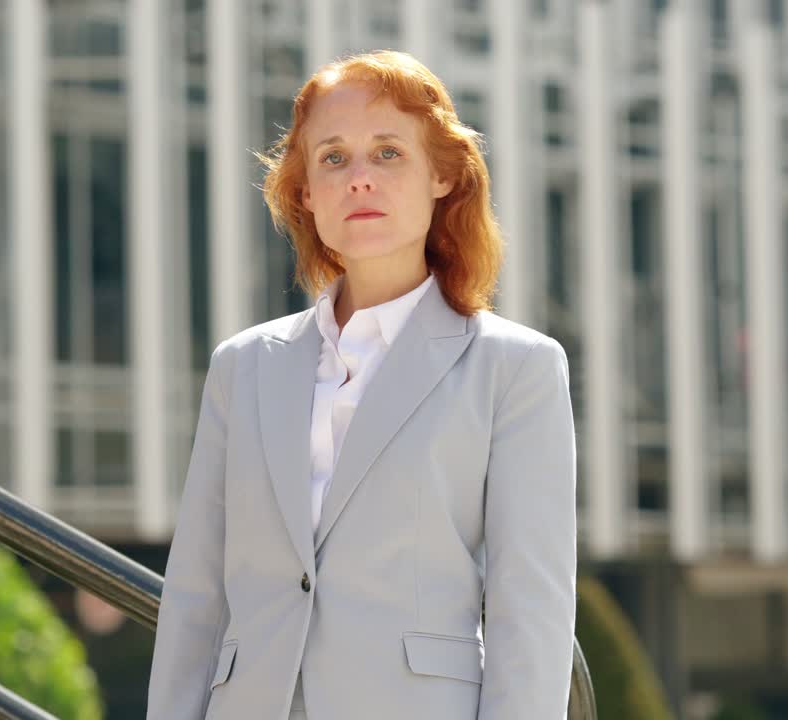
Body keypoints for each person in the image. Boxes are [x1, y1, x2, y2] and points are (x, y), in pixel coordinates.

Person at [145, 49, 577, 720]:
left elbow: (532, 611)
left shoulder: (515, 369)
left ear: (442, 175)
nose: (359, 180)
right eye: (334, 158)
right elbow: (196, 597)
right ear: (306, 192)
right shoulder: (244, 366)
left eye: (388, 153)